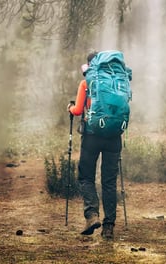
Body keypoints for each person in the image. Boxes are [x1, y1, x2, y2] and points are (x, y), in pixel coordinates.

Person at [67, 51, 122, 239]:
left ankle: (92, 215)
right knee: (109, 182)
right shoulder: (117, 81)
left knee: (86, 177)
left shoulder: (86, 82)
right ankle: (108, 228)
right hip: (114, 137)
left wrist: (70, 107)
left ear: (89, 66)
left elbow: (76, 111)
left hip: (92, 136)